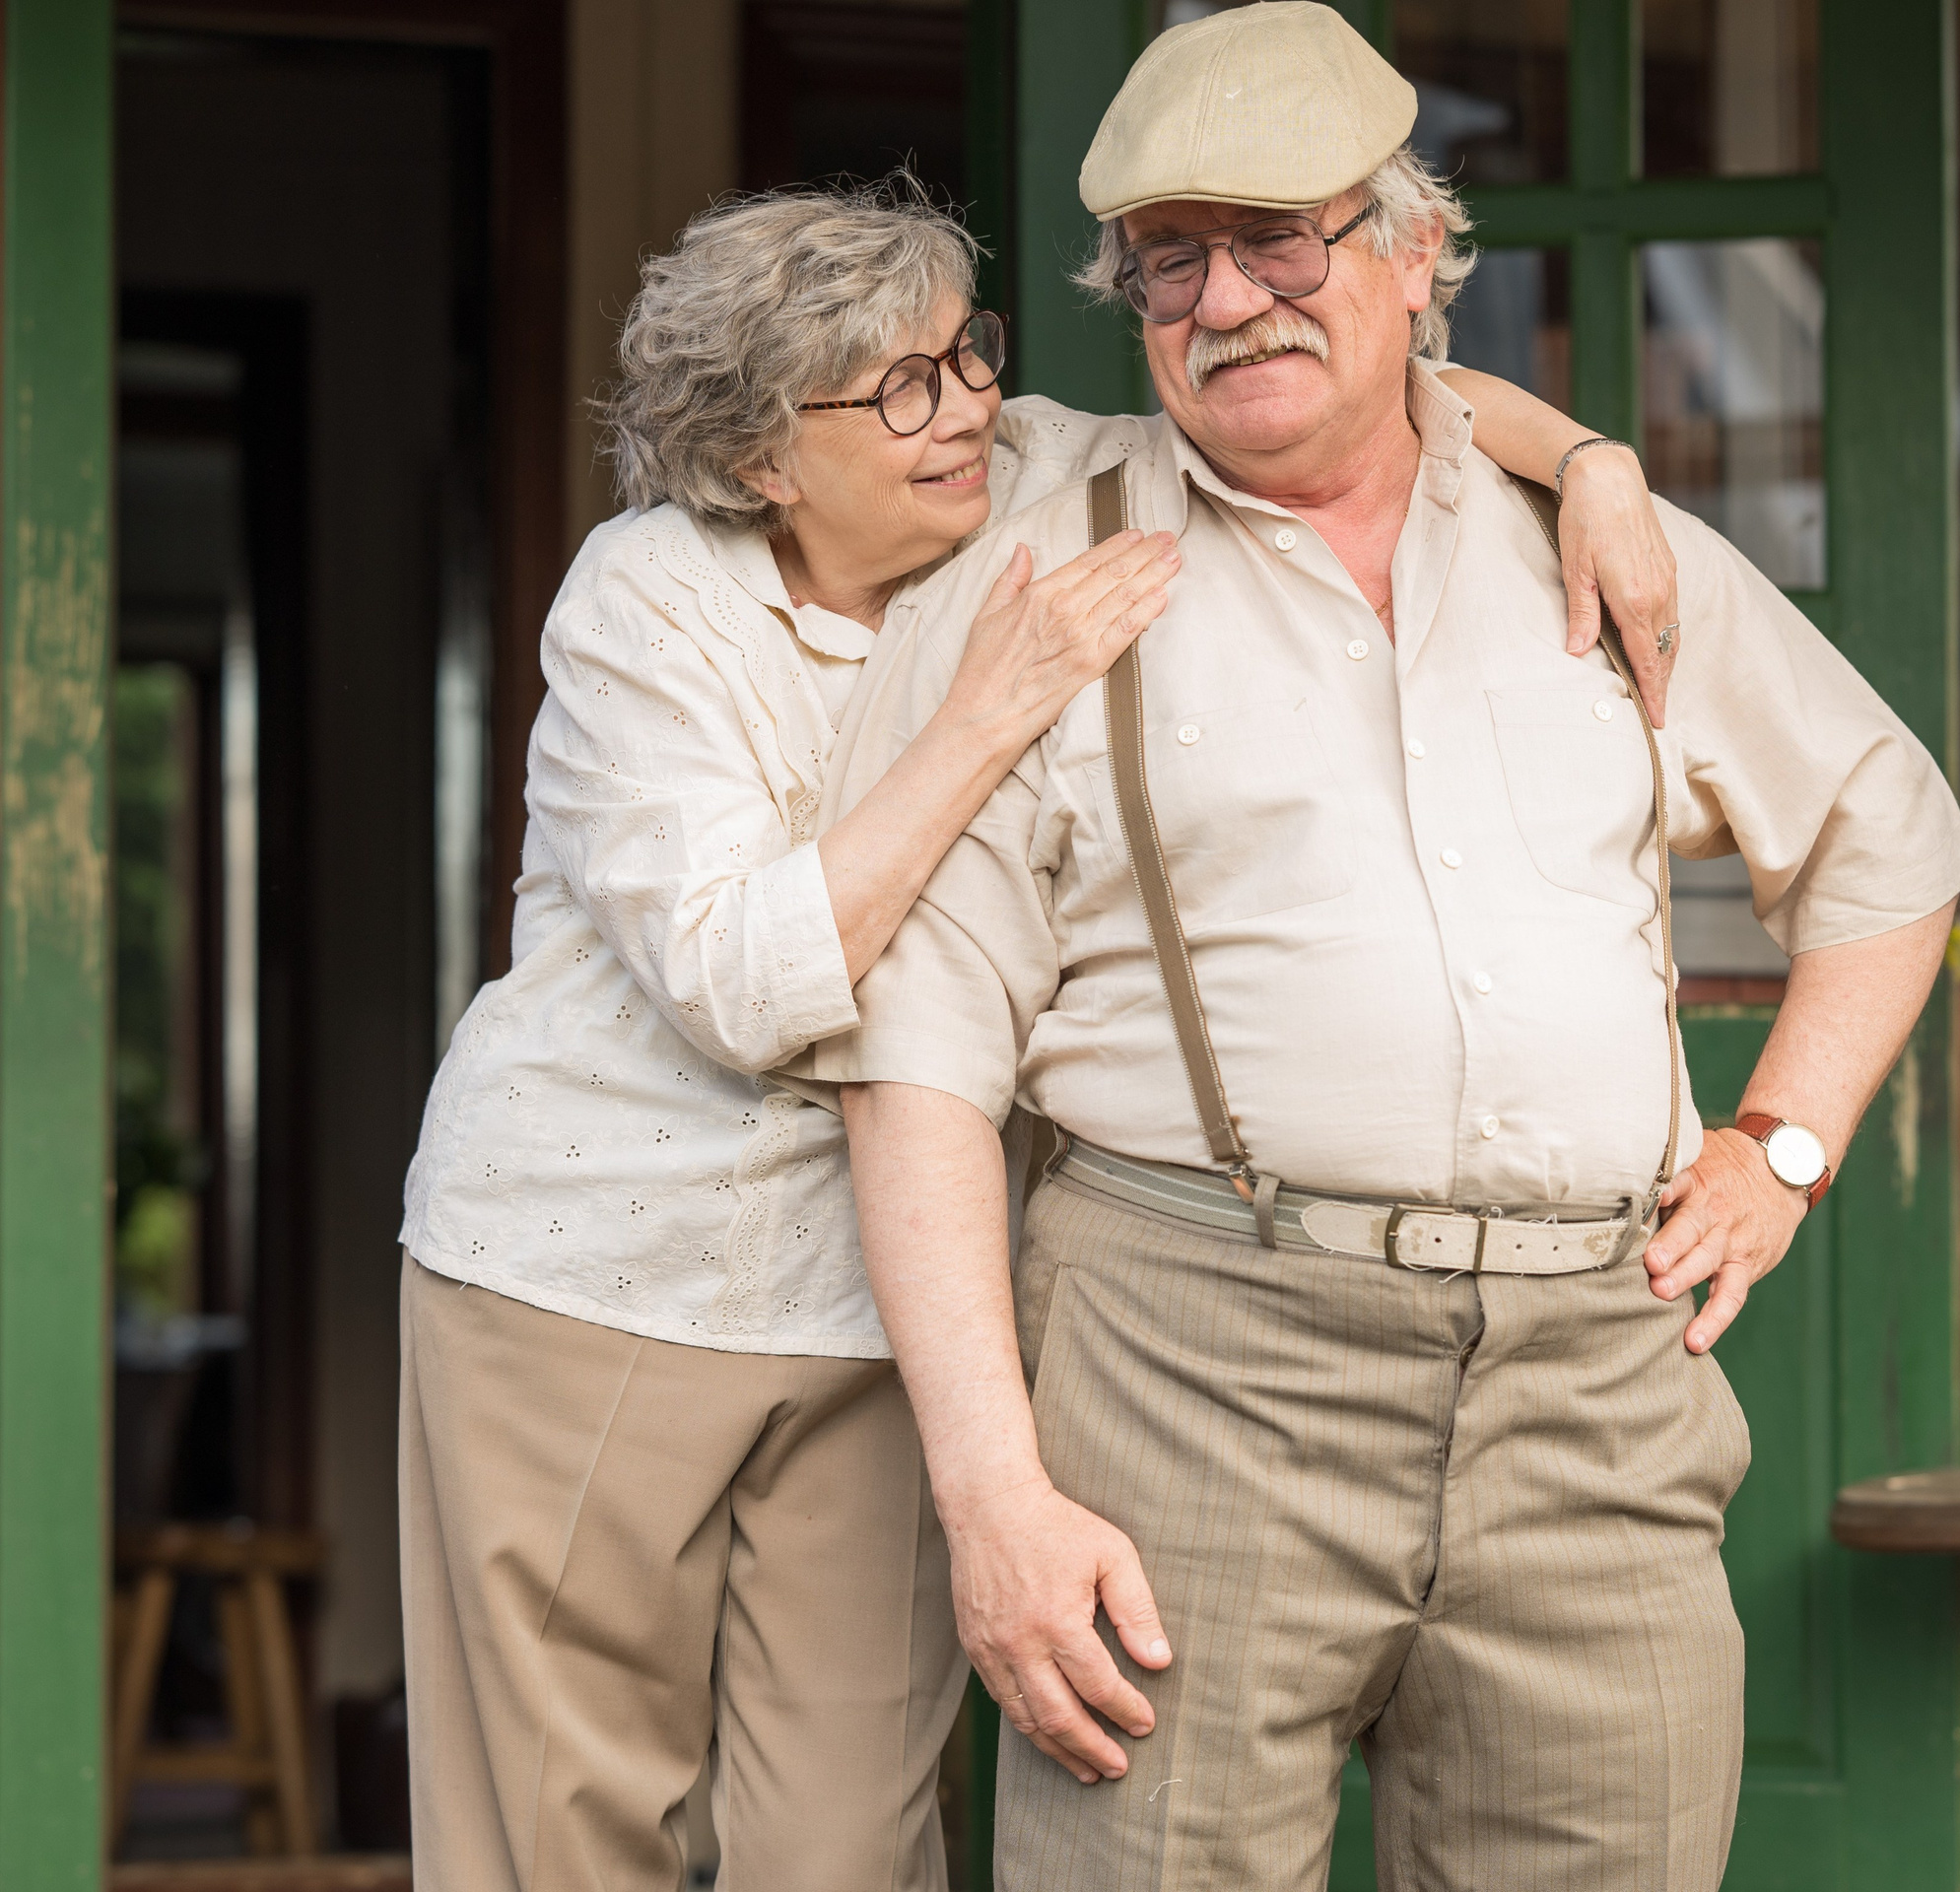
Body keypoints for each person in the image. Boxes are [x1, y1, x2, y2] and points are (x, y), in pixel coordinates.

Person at [394, 175, 1692, 1891]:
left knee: (847, 1842)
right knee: (558, 1825)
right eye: (901, 387)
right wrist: (991, 704)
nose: (970, 407)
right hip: (587, 1275)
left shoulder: (1019, 479)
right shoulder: (646, 603)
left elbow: (1389, 391)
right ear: (762, 455)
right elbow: (745, 983)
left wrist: (1592, 463)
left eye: (967, 352)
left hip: (881, 1307)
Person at [825, 7, 1960, 1888]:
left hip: (1594, 1389)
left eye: (1283, 240)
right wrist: (996, 1499)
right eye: (1173, 263)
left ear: (1417, 254)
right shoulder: (1031, 562)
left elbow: (1890, 845)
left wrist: (1782, 1147)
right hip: (1190, 1358)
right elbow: (920, 1067)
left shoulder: (1602, 543)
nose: (1230, 300)